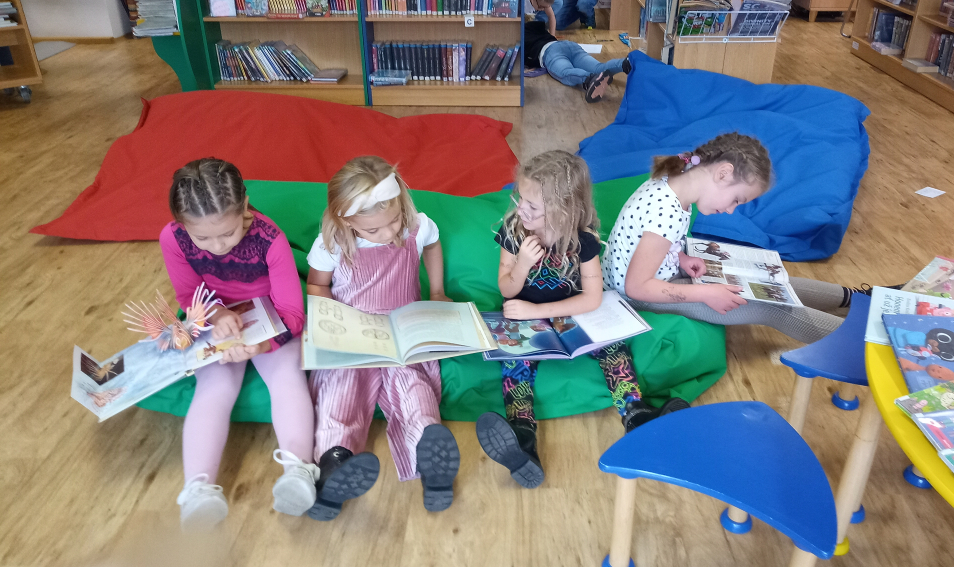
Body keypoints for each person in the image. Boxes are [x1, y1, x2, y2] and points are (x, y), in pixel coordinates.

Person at [475, 151, 689, 490]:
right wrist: (522, 264)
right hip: (521, 316)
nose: (521, 210)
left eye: (532, 206)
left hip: (569, 313)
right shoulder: (514, 230)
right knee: (515, 364)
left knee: (615, 349)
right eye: (520, 199)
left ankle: (637, 416)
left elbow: (592, 297)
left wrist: (538, 311)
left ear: (563, 211)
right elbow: (506, 287)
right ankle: (522, 440)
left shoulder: (583, 241)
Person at [602, 132, 899, 344]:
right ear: (723, 173)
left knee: (774, 284)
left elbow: (651, 244)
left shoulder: (676, 186)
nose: (731, 210)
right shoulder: (665, 209)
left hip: (657, 277)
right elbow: (637, 287)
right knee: (773, 306)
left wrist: (680, 257)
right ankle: (874, 344)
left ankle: (859, 298)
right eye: (736, 199)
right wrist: (705, 294)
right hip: (636, 298)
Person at [160, 158, 317, 530]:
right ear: (182, 224)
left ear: (245, 205)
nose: (217, 246)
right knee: (214, 388)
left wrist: (260, 347)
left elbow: (292, 314)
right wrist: (216, 315)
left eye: (227, 233)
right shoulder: (173, 237)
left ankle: (299, 470)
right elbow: (188, 294)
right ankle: (197, 490)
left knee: (287, 378)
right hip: (213, 315)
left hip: (271, 315)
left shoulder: (270, 239)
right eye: (203, 238)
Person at [305, 156, 460, 518]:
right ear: (346, 220)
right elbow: (316, 284)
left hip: (402, 327)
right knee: (341, 385)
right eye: (374, 230)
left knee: (412, 383)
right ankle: (334, 463)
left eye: (394, 221)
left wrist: (437, 292)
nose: (389, 233)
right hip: (354, 333)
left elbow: (433, 245)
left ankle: (430, 454)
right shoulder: (332, 244)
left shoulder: (417, 226)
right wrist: (332, 319)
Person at [524, 19, 632, 103]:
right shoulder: (529, 26)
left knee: (565, 72)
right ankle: (625, 63)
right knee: (598, 67)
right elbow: (542, 21)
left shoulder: (519, 40)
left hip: (550, 52)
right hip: (568, 44)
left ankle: (589, 78)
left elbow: (520, 60)